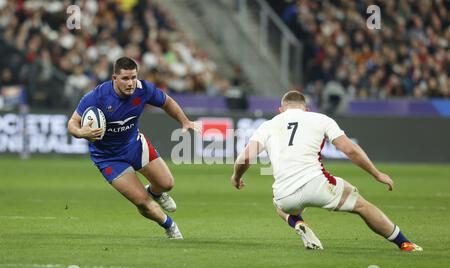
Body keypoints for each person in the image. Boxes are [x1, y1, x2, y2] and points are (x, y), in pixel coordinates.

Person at [231, 90, 422, 252]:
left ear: (280, 110)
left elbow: (245, 158)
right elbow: (350, 150)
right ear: (306, 109)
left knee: (279, 205)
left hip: (285, 193)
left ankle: (297, 222)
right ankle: (404, 243)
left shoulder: (268, 125)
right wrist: (377, 174)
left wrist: (236, 177)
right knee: (362, 206)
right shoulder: (320, 119)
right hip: (318, 185)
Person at [68, 57, 199, 239]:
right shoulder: (97, 97)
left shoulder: (143, 89)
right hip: (108, 158)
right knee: (142, 202)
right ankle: (170, 227)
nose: (130, 83)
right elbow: (73, 122)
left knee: (167, 184)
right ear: (114, 78)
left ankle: (155, 192)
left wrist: (184, 121)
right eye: (125, 79)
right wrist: (82, 133)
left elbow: (167, 102)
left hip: (135, 145)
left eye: (133, 78)